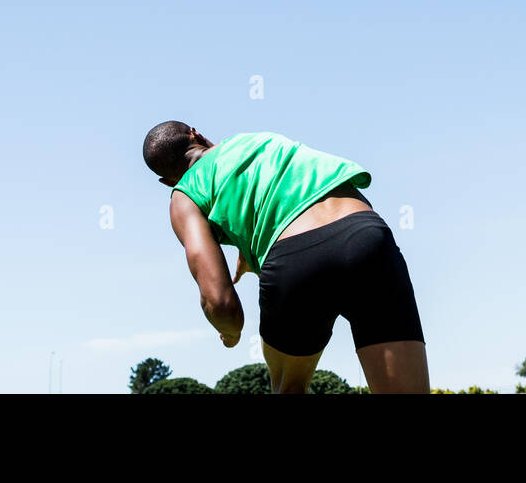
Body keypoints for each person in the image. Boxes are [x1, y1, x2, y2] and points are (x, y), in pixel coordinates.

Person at [142, 122, 428, 393]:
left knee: (289, 388)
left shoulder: (184, 196)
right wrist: (251, 254)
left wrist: (229, 332)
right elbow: (284, 198)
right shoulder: (257, 140)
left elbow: (220, 302)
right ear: (196, 134)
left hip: (296, 259)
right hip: (367, 238)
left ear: (167, 181)